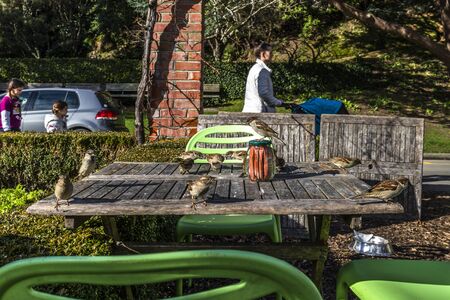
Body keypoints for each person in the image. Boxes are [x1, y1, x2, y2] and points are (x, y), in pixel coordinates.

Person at [242, 42, 284, 113]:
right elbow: (263, 93)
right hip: (259, 113)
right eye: (270, 52)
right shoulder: (262, 70)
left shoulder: (255, 68)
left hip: (251, 111)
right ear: (263, 54)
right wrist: (278, 102)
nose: (272, 55)